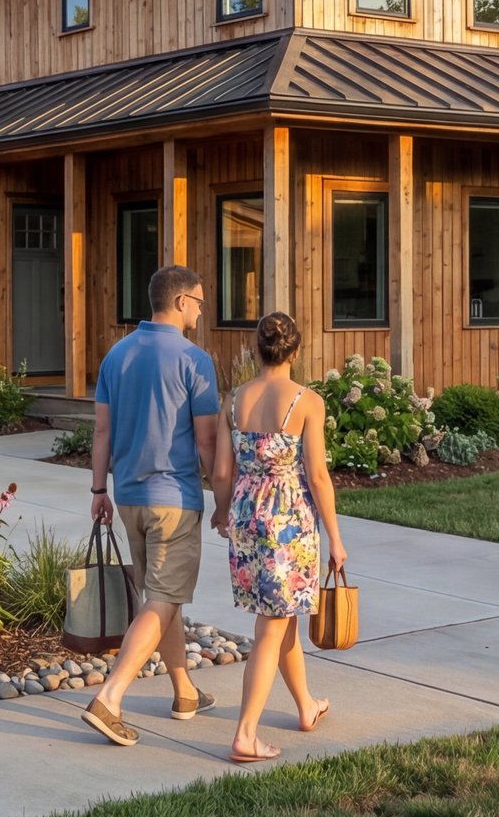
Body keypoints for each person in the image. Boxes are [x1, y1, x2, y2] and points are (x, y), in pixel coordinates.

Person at [83, 264, 232, 747]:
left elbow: (101, 432)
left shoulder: (116, 356)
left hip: (127, 497)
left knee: (158, 595)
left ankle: (184, 690)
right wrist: (223, 500)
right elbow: (208, 441)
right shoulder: (195, 360)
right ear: (182, 301)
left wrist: (98, 491)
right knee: (165, 597)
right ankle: (110, 697)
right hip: (174, 500)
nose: (202, 311)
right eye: (201, 302)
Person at [216, 312, 343, 763]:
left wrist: (221, 510)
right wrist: (336, 537)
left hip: (247, 517)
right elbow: (319, 476)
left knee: (281, 615)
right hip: (287, 520)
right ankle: (246, 734)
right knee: (271, 624)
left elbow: (220, 471)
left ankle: (306, 704)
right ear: (296, 351)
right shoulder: (306, 401)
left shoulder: (233, 401)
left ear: (256, 348)